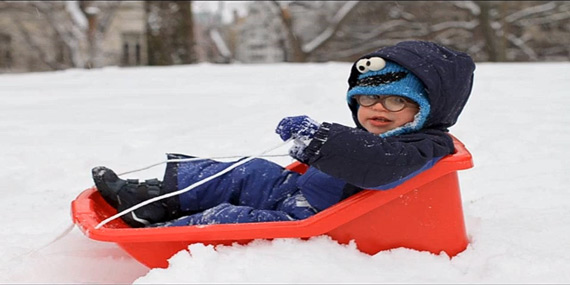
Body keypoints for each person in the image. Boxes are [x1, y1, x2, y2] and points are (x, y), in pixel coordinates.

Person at [92, 40, 476, 228]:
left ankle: (158, 232)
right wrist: (315, 148)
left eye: (395, 101)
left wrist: (321, 141)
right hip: (300, 192)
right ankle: (149, 196)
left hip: (317, 219)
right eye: (367, 98)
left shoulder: (424, 146)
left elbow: (376, 167)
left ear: (428, 110)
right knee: (246, 171)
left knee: (232, 217)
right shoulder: (391, 134)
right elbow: (359, 152)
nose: (377, 109)